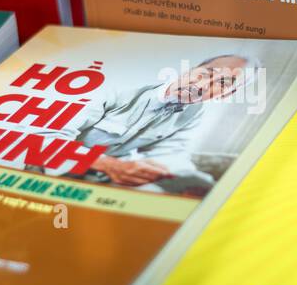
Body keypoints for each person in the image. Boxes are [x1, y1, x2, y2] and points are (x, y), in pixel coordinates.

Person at [55, 54, 257, 189]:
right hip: (52, 169)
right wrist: (107, 165)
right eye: (206, 74)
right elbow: (47, 134)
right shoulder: (118, 86)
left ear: (226, 94)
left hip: (99, 180)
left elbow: (170, 153)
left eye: (222, 84)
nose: (202, 86)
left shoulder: (194, 111)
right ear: (191, 70)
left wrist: (192, 182)